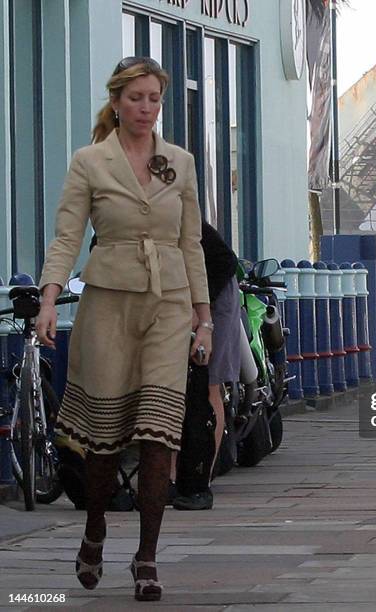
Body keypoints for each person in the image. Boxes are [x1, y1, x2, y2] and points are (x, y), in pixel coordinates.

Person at [36, 56, 212, 602]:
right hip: (108, 306)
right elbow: (67, 237)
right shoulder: (90, 161)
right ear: (116, 102)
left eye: (154, 99)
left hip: (168, 305)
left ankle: (147, 558)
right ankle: (94, 533)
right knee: (106, 439)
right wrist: (47, 300)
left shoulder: (178, 163)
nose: (145, 108)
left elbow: (191, 243)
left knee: (160, 434)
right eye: (135, 98)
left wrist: (203, 319)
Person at [173, 220, 241, 511]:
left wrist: (200, 310)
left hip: (215, 295)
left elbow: (225, 261)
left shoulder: (181, 217)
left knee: (208, 382)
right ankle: (171, 476)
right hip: (176, 297)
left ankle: (201, 475)